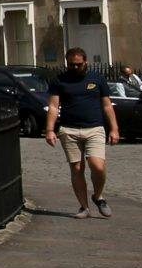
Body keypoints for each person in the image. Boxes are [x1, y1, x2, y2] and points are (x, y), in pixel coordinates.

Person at [44, 46, 120, 219]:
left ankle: (98, 196)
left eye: (78, 64)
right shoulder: (59, 80)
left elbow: (107, 105)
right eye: (71, 65)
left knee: (98, 166)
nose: (75, 68)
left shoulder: (97, 79)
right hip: (69, 129)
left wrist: (114, 129)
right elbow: (54, 106)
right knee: (77, 168)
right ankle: (84, 207)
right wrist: (50, 130)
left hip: (94, 128)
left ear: (85, 62)